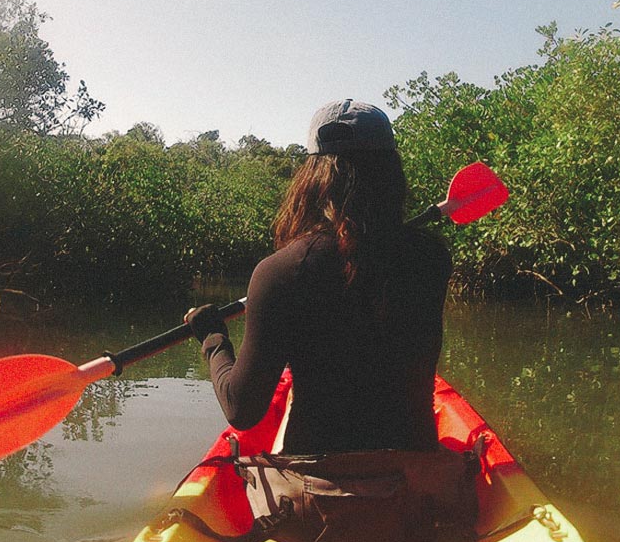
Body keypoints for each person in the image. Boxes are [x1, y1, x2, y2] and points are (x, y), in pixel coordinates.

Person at [183, 99, 452, 454]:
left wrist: (213, 337)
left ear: (312, 176)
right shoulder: (431, 257)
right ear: (391, 171)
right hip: (415, 480)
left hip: (316, 490)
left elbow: (242, 409)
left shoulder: (279, 272)